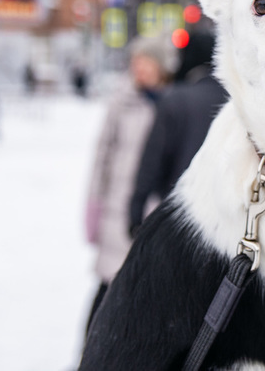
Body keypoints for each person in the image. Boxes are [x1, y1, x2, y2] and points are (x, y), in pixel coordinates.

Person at [84, 34, 177, 332]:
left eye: (146, 62)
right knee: (109, 287)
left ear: (161, 67)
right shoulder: (121, 101)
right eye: (135, 62)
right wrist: (94, 203)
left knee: (146, 292)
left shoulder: (175, 104)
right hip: (117, 206)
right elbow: (103, 153)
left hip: (155, 208)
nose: (139, 69)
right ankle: (89, 355)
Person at [128, 31, 228, 237]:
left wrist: (135, 213)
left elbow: (151, 163)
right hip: (228, 218)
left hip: (180, 215)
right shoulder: (237, 102)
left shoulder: (175, 100)